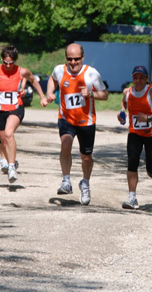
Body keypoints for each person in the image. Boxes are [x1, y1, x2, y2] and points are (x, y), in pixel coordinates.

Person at [45, 43, 108, 205]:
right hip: (66, 118)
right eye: (69, 59)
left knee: (86, 157)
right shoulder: (59, 70)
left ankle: (85, 183)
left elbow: (105, 94)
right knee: (65, 144)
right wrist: (50, 92)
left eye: (76, 59)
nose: (73, 63)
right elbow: (52, 79)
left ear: (83, 58)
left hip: (86, 121)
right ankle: (66, 181)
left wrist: (91, 93)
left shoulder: (91, 74)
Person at [0, 46, 48, 183]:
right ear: (1, 59)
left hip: (15, 108)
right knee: (3, 141)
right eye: (5, 62)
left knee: (9, 133)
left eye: (11, 63)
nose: (8, 66)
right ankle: (7, 160)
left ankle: (11, 168)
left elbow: (34, 81)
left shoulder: (22, 71)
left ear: (15, 61)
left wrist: (42, 97)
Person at [118, 65, 152, 209]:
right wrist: (122, 112)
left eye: (141, 77)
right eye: (135, 77)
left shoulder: (151, 92)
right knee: (132, 161)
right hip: (134, 133)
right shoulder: (127, 92)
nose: (138, 80)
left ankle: (150, 164)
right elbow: (124, 102)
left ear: (147, 79)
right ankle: (132, 197)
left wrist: (149, 118)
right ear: (132, 79)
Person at [0, 76, 27, 173]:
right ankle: (8, 160)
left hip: (10, 109)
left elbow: (26, 77)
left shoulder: (14, 76)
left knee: (8, 134)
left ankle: (8, 162)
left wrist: (23, 88)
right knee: (1, 138)